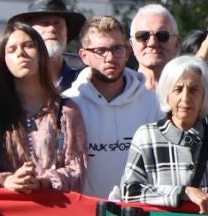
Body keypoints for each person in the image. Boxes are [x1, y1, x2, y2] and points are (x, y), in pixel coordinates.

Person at [115, 55, 208, 211]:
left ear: (204, 95)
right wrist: (183, 192)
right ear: (167, 93)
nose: (185, 98)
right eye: (178, 89)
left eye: (194, 90)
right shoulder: (147, 136)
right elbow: (129, 191)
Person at [65, 16, 162, 199]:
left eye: (117, 49)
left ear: (127, 51)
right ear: (84, 56)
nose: (110, 58)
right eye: (100, 51)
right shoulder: (69, 105)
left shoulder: (153, 104)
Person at [0, 24, 86, 193]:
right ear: (3, 60)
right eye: (12, 49)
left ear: (41, 54)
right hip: (5, 209)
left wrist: (44, 182)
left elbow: (77, 167)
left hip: (53, 211)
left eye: (28, 46)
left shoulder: (66, 109)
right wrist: (7, 180)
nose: (21, 53)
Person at [7, 0, 85, 90]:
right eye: (44, 23)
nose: (52, 29)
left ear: (67, 31)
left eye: (57, 23)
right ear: (29, 32)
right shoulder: (12, 80)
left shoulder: (84, 78)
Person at [128, 3, 179, 91]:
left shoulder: (187, 90)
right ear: (132, 44)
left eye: (162, 35)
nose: (152, 43)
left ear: (177, 43)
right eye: (143, 36)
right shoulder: (122, 90)